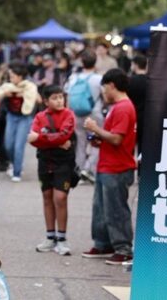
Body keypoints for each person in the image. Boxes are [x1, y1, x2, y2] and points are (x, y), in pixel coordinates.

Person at [81, 69, 136, 264]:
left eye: (104, 87)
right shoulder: (118, 107)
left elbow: (116, 138)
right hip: (108, 165)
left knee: (115, 209)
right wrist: (98, 138)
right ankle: (103, 243)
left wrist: (96, 129)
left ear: (112, 85)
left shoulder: (123, 107)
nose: (103, 91)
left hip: (117, 166)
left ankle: (123, 247)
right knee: (101, 208)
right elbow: (112, 137)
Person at [28, 85, 76, 256]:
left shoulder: (69, 115)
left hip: (64, 163)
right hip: (44, 161)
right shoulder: (40, 116)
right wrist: (54, 141)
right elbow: (31, 140)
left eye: (61, 97)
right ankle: (50, 237)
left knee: (60, 197)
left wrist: (41, 137)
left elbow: (65, 134)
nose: (59, 100)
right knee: (47, 197)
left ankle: (62, 239)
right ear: (46, 101)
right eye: (55, 98)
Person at [0, 62, 38, 183]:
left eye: (13, 76)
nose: (10, 78)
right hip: (11, 116)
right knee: (8, 144)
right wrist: (6, 94)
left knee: (19, 146)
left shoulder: (30, 86)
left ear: (20, 76)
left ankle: (17, 172)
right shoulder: (7, 87)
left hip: (25, 118)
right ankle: (15, 163)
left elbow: (37, 98)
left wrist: (23, 94)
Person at [64, 50, 103, 181]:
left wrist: (68, 113)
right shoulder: (99, 79)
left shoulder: (73, 78)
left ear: (82, 62)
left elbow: (68, 97)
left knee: (80, 142)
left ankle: (78, 170)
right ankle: (89, 168)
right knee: (96, 141)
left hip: (76, 114)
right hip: (94, 114)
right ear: (95, 62)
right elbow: (105, 97)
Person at [127, 55, 147, 153]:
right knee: (143, 148)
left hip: (131, 117)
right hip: (145, 118)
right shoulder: (151, 82)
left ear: (135, 65)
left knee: (129, 145)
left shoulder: (130, 81)